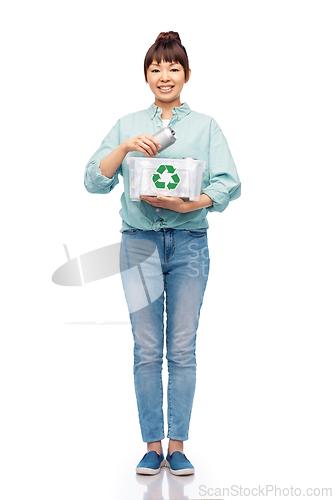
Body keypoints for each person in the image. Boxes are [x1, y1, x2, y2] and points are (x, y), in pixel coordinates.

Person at [84, 31, 241, 476]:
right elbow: (94, 181)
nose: (164, 75)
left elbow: (228, 183)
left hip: (190, 245)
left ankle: (178, 445)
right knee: (146, 349)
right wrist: (125, 147)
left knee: (182, 349)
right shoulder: (128, 123)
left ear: (186, 75)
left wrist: (190, 203)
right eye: (156, 68)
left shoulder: (206, 126)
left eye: (173, 67)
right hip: (138, 243)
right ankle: (152, 446)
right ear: (146, 76)